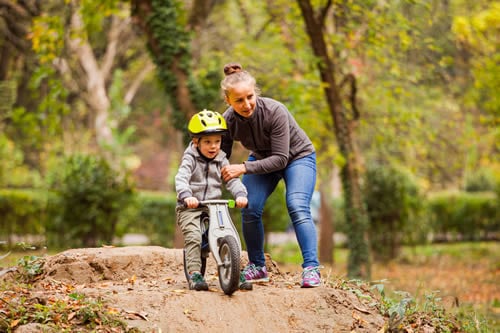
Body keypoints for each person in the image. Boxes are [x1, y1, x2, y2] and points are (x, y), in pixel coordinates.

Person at [219, 63, 322, 288]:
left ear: (255, 93)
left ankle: (312, 268)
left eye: (249, 97)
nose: (246, 104)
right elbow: (220, 157)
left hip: (297, 158)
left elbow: (281, 159)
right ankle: (257, 267)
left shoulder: (275, 111)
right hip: (262, 159)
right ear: (228, 101)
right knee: (249, 206)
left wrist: (243, 168)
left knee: (296, 204)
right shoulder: (227, 121)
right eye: (239, 100)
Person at [175, 109, 251, 291]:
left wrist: (241, 194)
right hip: (191, 207)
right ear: (196, 142)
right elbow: (181, 178)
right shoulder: (190, 159)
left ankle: (234, 270)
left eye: (217, 141)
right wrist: (187, 196)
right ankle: (194, 274)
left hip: (214, 207)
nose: (213, 146)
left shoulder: (221, 160)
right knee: (194, 237)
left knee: (228, 234)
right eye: (208, 142)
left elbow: (231, 179)